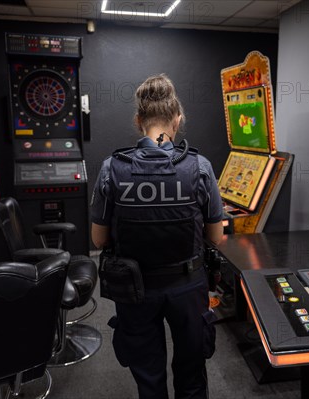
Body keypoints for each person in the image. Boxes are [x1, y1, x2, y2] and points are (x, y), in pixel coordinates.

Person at [90, 74, 223, 399]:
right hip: (188, 287)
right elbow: (217, 238)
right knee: (191, 377)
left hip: (135, 289)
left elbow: (98, 240)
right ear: (177, 119)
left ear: (138, 120)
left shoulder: (112, 168)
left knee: (149, 378)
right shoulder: (200, 167)